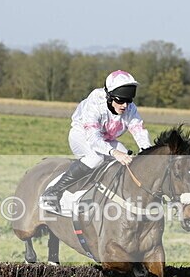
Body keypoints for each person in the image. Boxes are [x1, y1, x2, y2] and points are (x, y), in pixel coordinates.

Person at [39, 70, 151, 213]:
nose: (124, 105)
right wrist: (114, 152)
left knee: (128, 160)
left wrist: (147, 152)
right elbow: (93, 138)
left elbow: (139, 131)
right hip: (82, 135)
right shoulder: (95, 103)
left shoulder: (130, 108)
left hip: (106, 139)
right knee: (96, 158)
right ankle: (52, 193)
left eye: (128, 101)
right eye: (120, 100)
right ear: (109, 97)